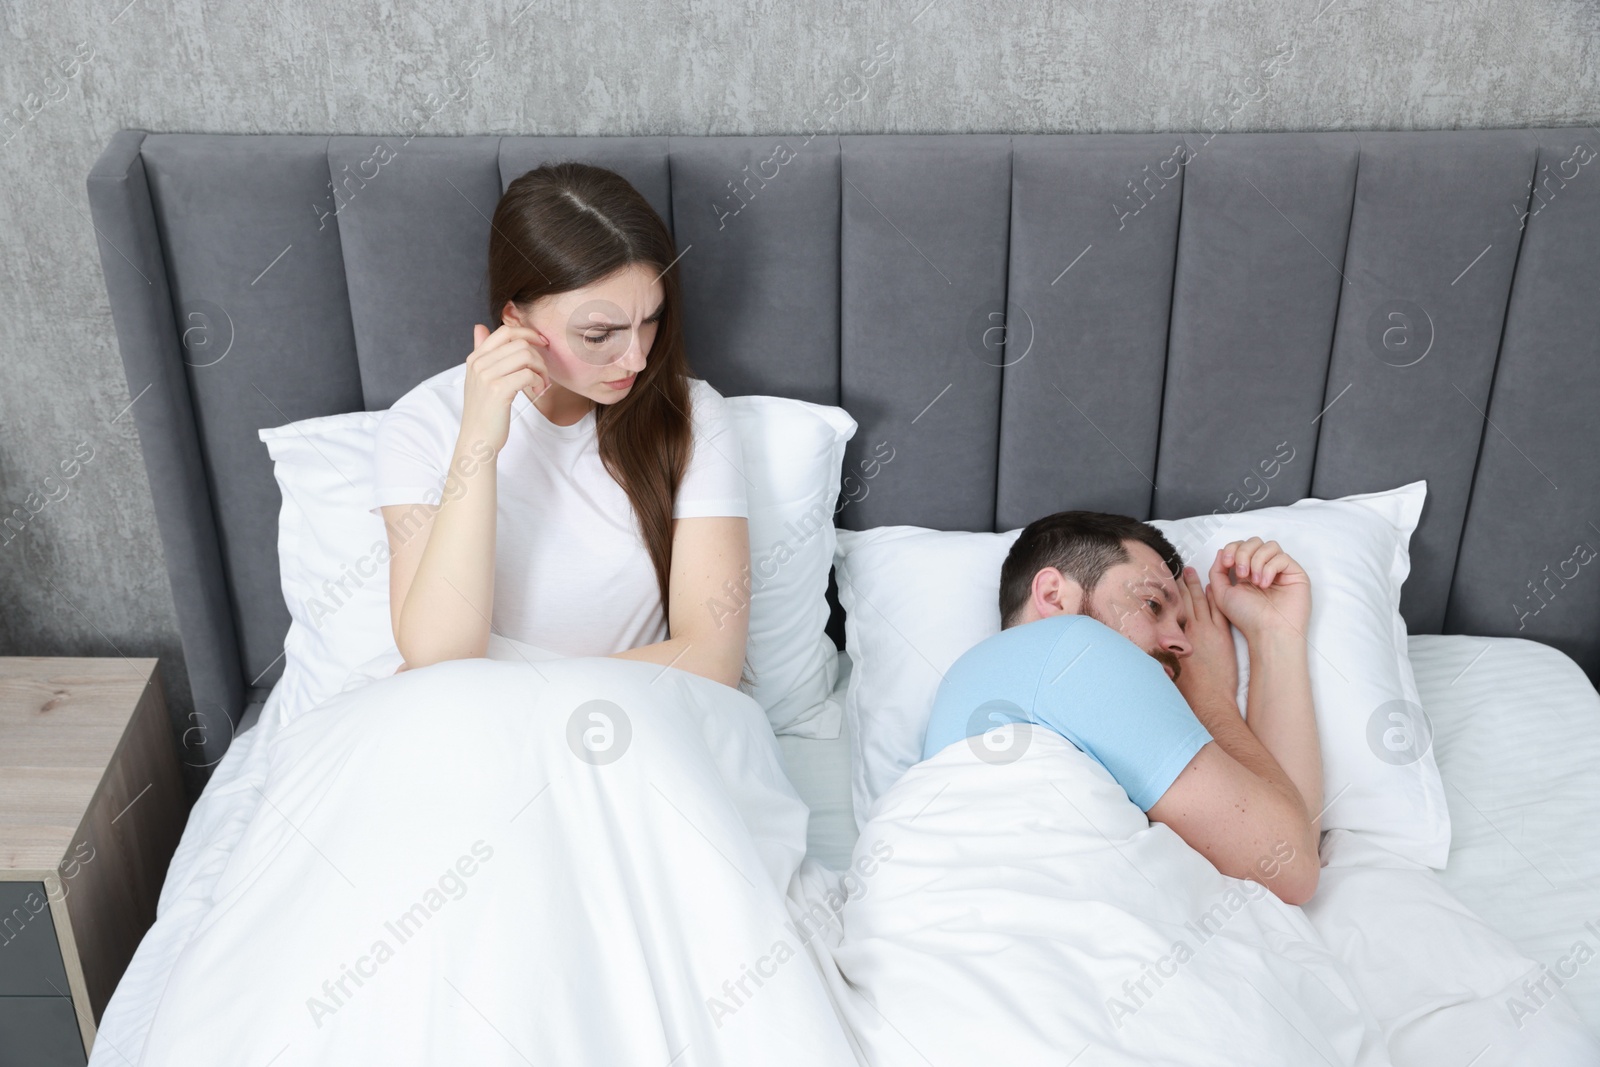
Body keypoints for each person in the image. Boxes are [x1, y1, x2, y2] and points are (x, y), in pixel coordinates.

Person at [919, 510, 1324, 905]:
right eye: (1151, 604)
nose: (1184, 645)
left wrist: (1275, 636)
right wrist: (1210, 695)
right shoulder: (1073, 645)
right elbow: (1288, 868)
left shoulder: (992, 678)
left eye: (1182, 625)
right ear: (1052, 596)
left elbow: (1294, 840)